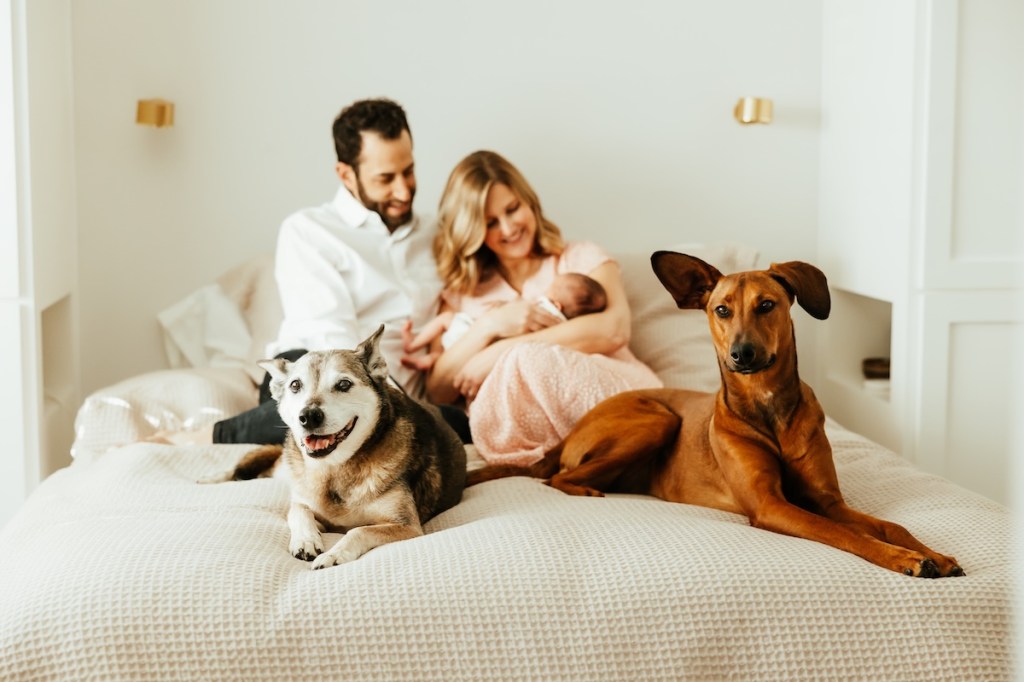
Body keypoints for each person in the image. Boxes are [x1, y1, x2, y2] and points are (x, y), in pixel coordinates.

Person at [157, 98, 470, 445]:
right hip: (314, 371)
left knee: (459, 425)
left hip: (396, 394)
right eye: (385, 178)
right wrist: (392, 401)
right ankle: (210, 437)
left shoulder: (436, 234)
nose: (403, 189)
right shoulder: (309, 231)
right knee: (314, 399)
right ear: (346, 174)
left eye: (408, 171)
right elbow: (331, 336)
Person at [407, 150, 662, 465]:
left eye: (513, 209)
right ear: (472, 231)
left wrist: (499, 352)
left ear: (529, 201)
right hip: (524, 424)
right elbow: (439, 390)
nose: (509, 227)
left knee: (527, 359)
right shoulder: (462, 293)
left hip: (617, 397)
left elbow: (613, 330)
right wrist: (490, 325)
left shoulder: (579, 258)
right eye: (490, 223)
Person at [402, 271, 607, 370]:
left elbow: (515, 318)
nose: (546, 290)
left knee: (447, 319)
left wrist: (501, 309)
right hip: (481, 355)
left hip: (477, 340)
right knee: (445, 349)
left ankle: (414, 344)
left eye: (552, 287)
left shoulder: (543, 307)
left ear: (557, 304)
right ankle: (428, 359)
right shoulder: (566, 328)